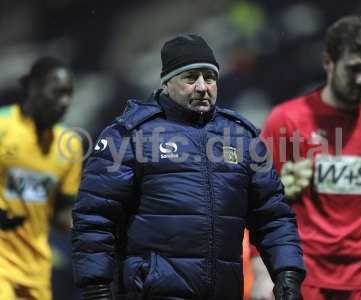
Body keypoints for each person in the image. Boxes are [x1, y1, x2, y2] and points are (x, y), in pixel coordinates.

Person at [71, 34, 305, 300]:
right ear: (167, 83)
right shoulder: (128, 136)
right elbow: (95, 217)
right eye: (191, 78)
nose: (203, 86)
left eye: (210, 77)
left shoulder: (242, 138)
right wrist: (96, 287)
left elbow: (273, 215)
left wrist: (287, 273)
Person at [262, 16, 361, 299]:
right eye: (353, 69)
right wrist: (262, 268)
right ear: (328, 63)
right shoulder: (286, 121)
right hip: (307, 279)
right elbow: (261, 201)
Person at [0, 56, 82, 300]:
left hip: (36, 267)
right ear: (34, 87)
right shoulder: (3, 126)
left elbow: (61, 215)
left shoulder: (70, 145)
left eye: (69, 94)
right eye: (57, 93)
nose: (64, 102)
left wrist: (95, 228)